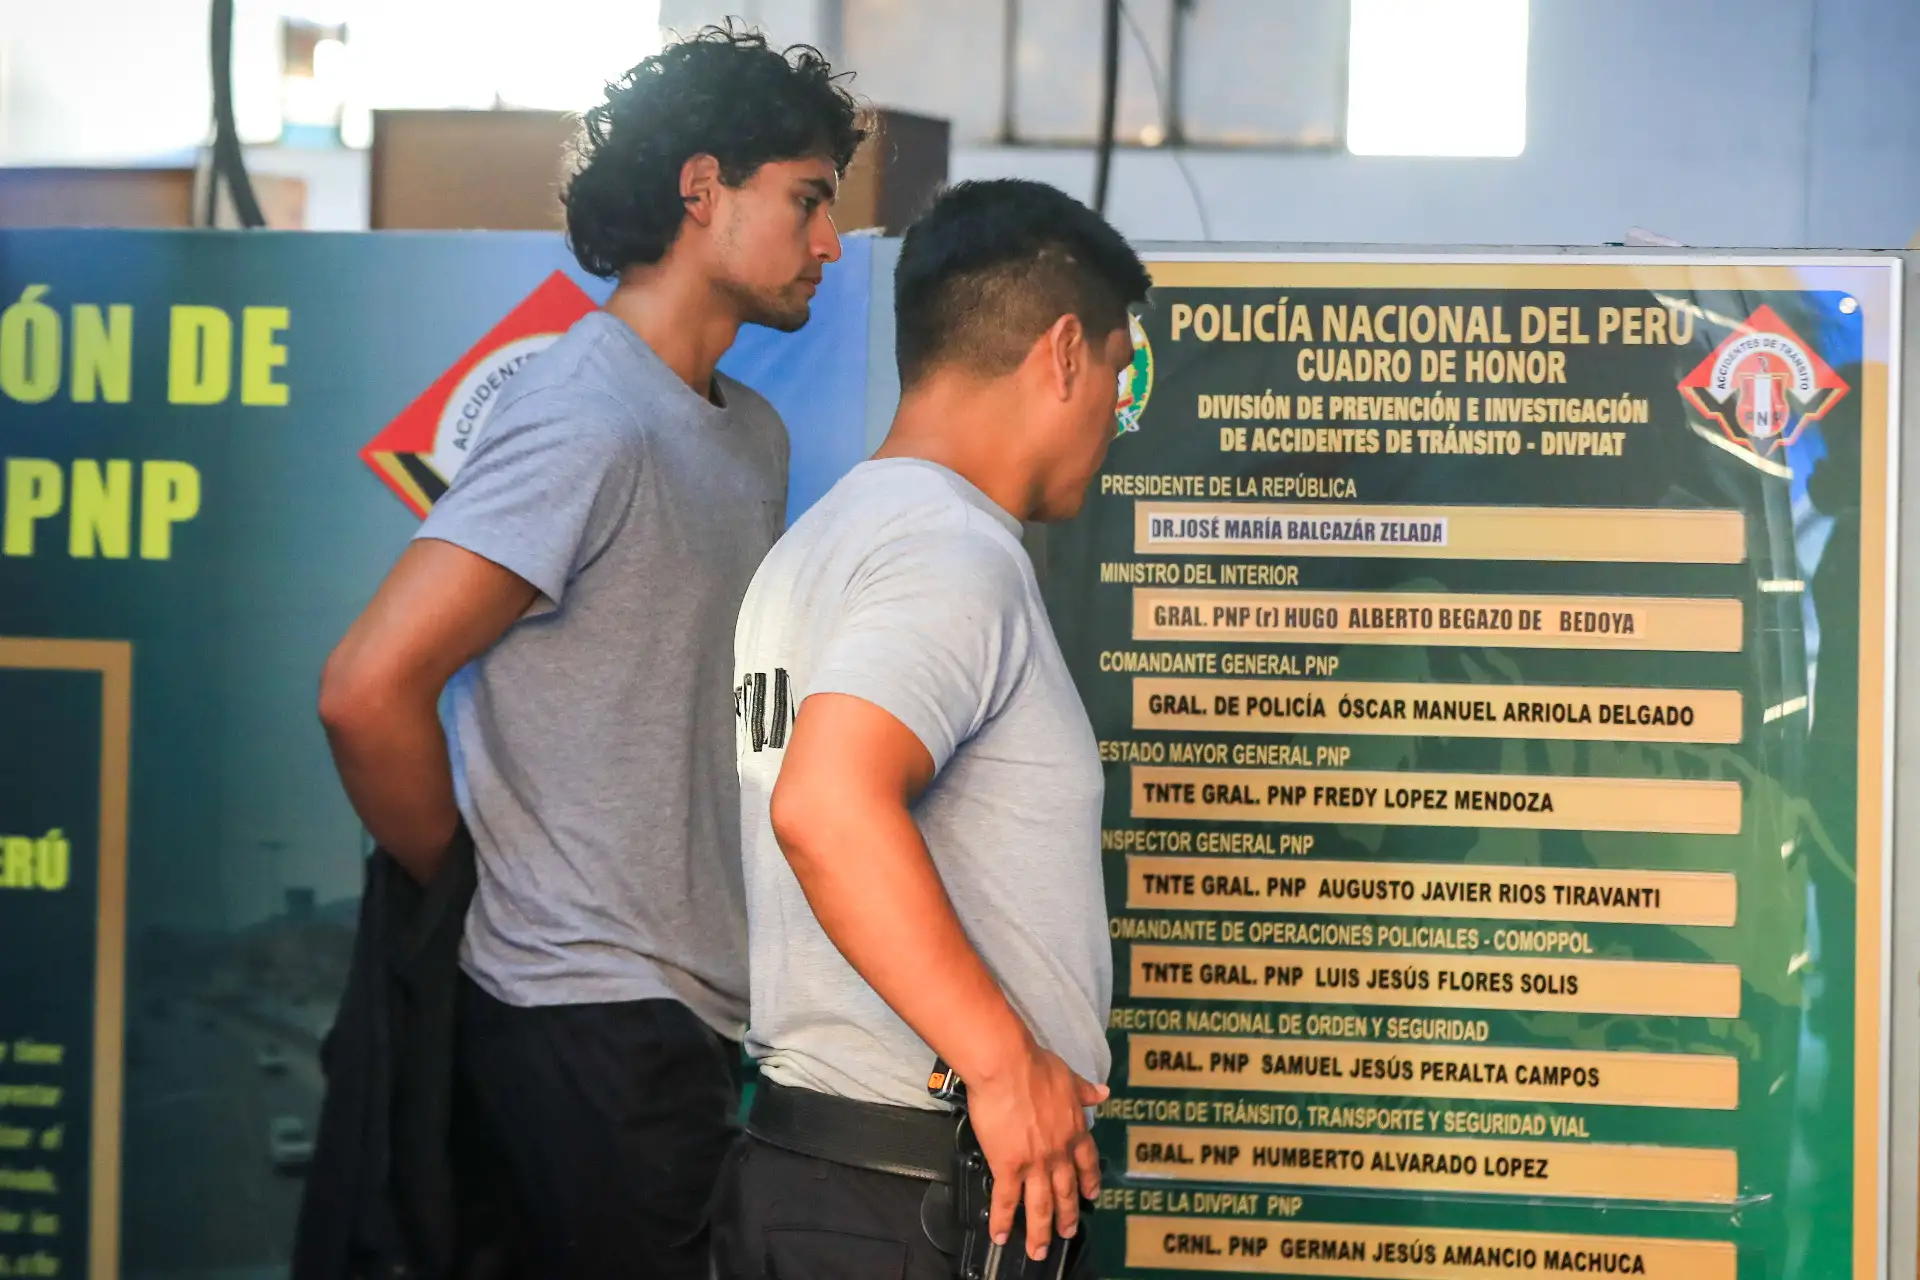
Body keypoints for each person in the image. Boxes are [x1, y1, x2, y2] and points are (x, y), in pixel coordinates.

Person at [315, 27, 864, 1277]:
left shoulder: (751, 436)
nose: (829, 241)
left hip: (689, 1012)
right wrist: (477, 878)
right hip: (584, 1014)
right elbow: (365, 690)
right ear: (702, 188)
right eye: (808, 199)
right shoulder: (585, 411)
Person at [718, 178, 1151, 1277]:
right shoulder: (949, 551)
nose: (1117, 413)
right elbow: (826, 803)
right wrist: (1006, 1065)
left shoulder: (823, 543)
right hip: (911, 1201)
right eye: (1120, 372)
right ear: (1062, 353)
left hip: (822, 1168)